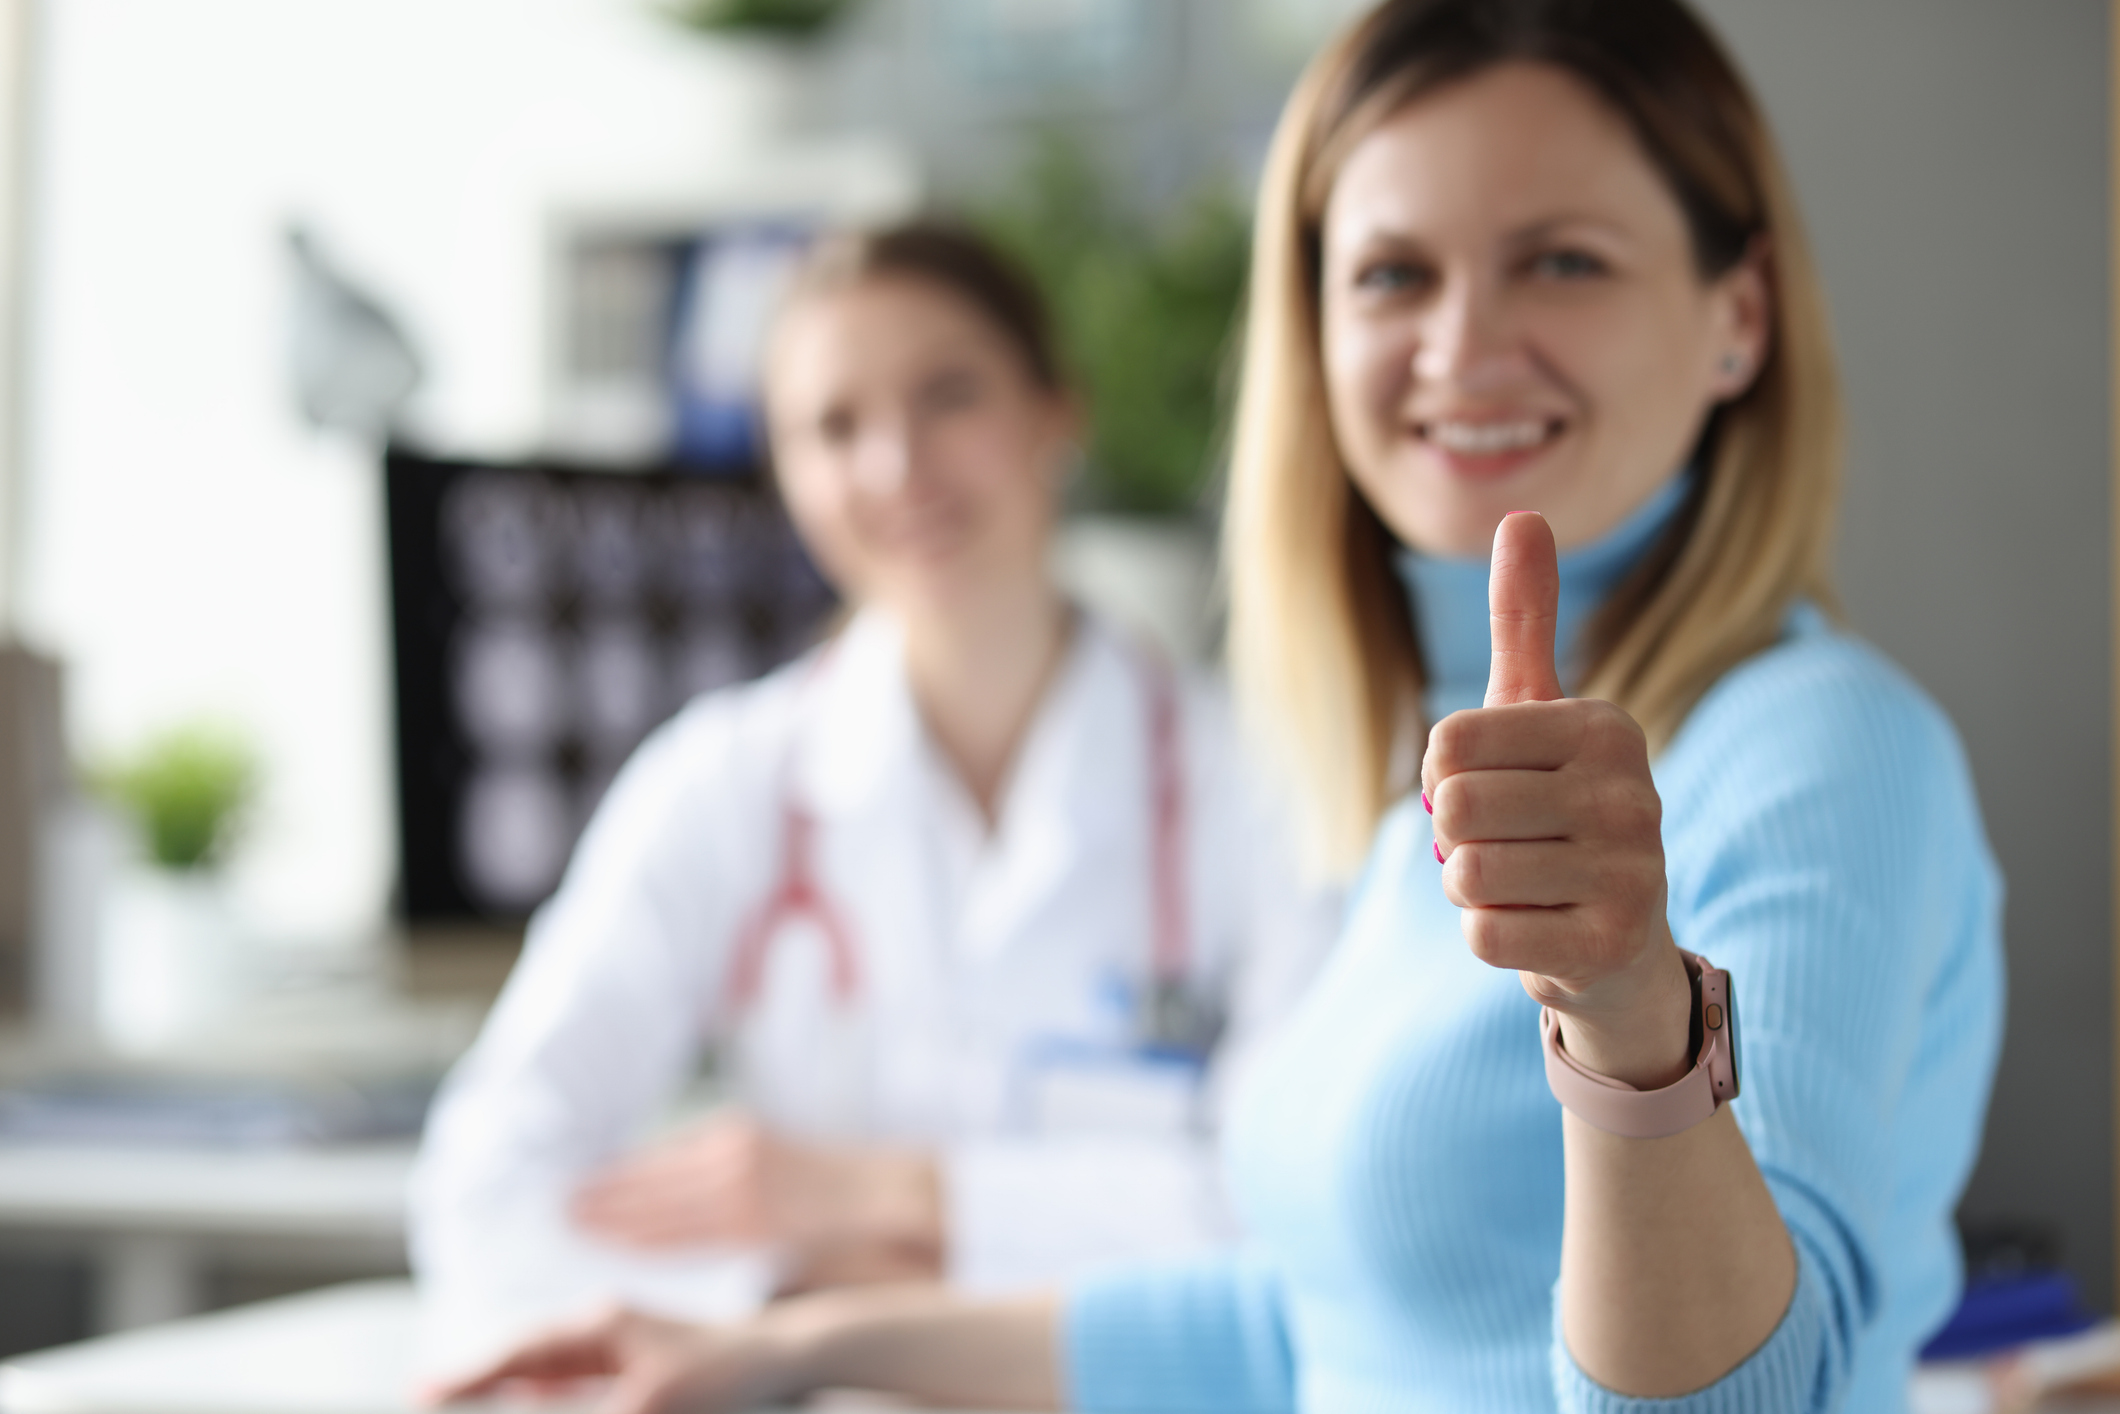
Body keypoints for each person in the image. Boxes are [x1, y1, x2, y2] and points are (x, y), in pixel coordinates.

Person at [429, 2, 2005, 1410]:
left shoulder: (1815, 748)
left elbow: (1756, 1401)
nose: (1460, 345)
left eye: (1563, 258)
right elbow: (1305, 1330)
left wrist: (1629, 1022)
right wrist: (791, 1351)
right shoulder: (1416, 784)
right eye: (1391, 273)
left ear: (1740, 315)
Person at [410, 224, 1340, 1365]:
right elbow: (488, 1182)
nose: (896, 466)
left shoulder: (1257, 777)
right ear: (783, 474)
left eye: (947, 396)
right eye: (832, 427)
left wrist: (873, 1195)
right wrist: (789, 1298)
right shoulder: (724, 781)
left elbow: (1302, 1217)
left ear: (1058, 413)